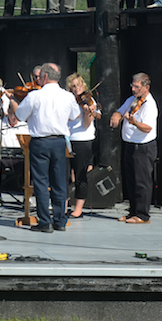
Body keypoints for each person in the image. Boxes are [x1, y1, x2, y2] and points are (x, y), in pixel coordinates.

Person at [9, 62, 80, 232]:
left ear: (46, 77)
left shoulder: (35, 96)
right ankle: (60, 220)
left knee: (41, 182)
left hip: (40, 141)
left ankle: (45, 222)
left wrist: (13, 101)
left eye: (39, 76)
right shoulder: (68, 96)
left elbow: (19, 115)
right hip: (59, 141)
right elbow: (75, 115)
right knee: (59, 181)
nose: (38, 79)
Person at [110, 72, 158, 224]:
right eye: (133, 86)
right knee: (130, 180)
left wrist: (135, 123)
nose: (133, 89)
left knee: (142, 181)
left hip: (143, 147)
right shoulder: (132, 100)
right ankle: (132, 212)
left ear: (146, 87)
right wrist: (116, 116)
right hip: (130, 145)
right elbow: (120, 111)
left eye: (137, 87)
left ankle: (143, 215)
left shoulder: (149, 105)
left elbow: (148, 128)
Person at [65, 73, 97, 219]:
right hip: (66, 139)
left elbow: (86, 125)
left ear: (84, 85)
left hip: (82, 140)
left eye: (78, 85)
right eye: (73, 86)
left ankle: (78, 210)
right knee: (63, 174)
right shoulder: (67, 101)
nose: (76, 88)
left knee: (80, 175)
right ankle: (63, 206)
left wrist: (87, 113)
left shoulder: (89, 102)